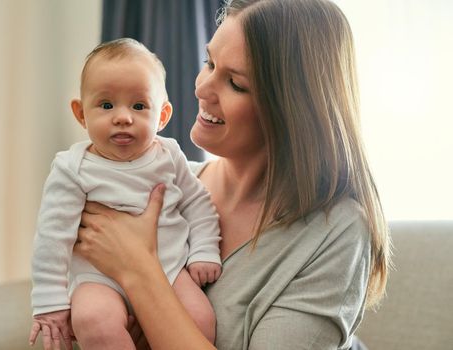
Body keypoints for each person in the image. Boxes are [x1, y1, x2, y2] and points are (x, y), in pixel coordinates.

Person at [73, 0, 393, 349]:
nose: (201, 89)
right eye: (208, 63)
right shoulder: (163, 189)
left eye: (235, 83)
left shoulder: (336, 232)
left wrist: (138, 271)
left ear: (291, 108)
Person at [28, 38, 222, 350]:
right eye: (106, 105)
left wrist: (204, 250)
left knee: (200, 319)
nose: (122, 116)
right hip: (98, 277)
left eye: (139, 105)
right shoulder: (71, 168)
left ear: (162, 116)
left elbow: (198, 203)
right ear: (81, 113)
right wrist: (50, 300)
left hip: (169, 270)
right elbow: (52, 237)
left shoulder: (169, 155)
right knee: (93, 320)